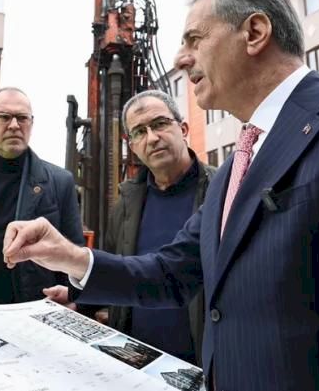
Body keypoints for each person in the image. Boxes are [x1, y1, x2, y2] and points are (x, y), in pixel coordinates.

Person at [1, 0, 319, 390]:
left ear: (254, 32)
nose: (180, 58)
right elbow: (172, 273)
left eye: (193, 39)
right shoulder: (237, 166)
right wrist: (69, 256)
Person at [56, 89, 214, 366]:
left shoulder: (220, 190)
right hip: (138, 362)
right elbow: (121, 270)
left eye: (160, 124)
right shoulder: (128, 201)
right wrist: (77, 298)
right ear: (132, 145)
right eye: (139, 132)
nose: (152, 137)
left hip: (202, 364)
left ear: (184, 128)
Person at [0, 87, 84, 304]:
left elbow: (74, 251)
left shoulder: (59, 182)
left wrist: (74, 298)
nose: (14, 125)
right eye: (4, 117)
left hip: (32, 308)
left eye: (22, 118)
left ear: (31, 124)